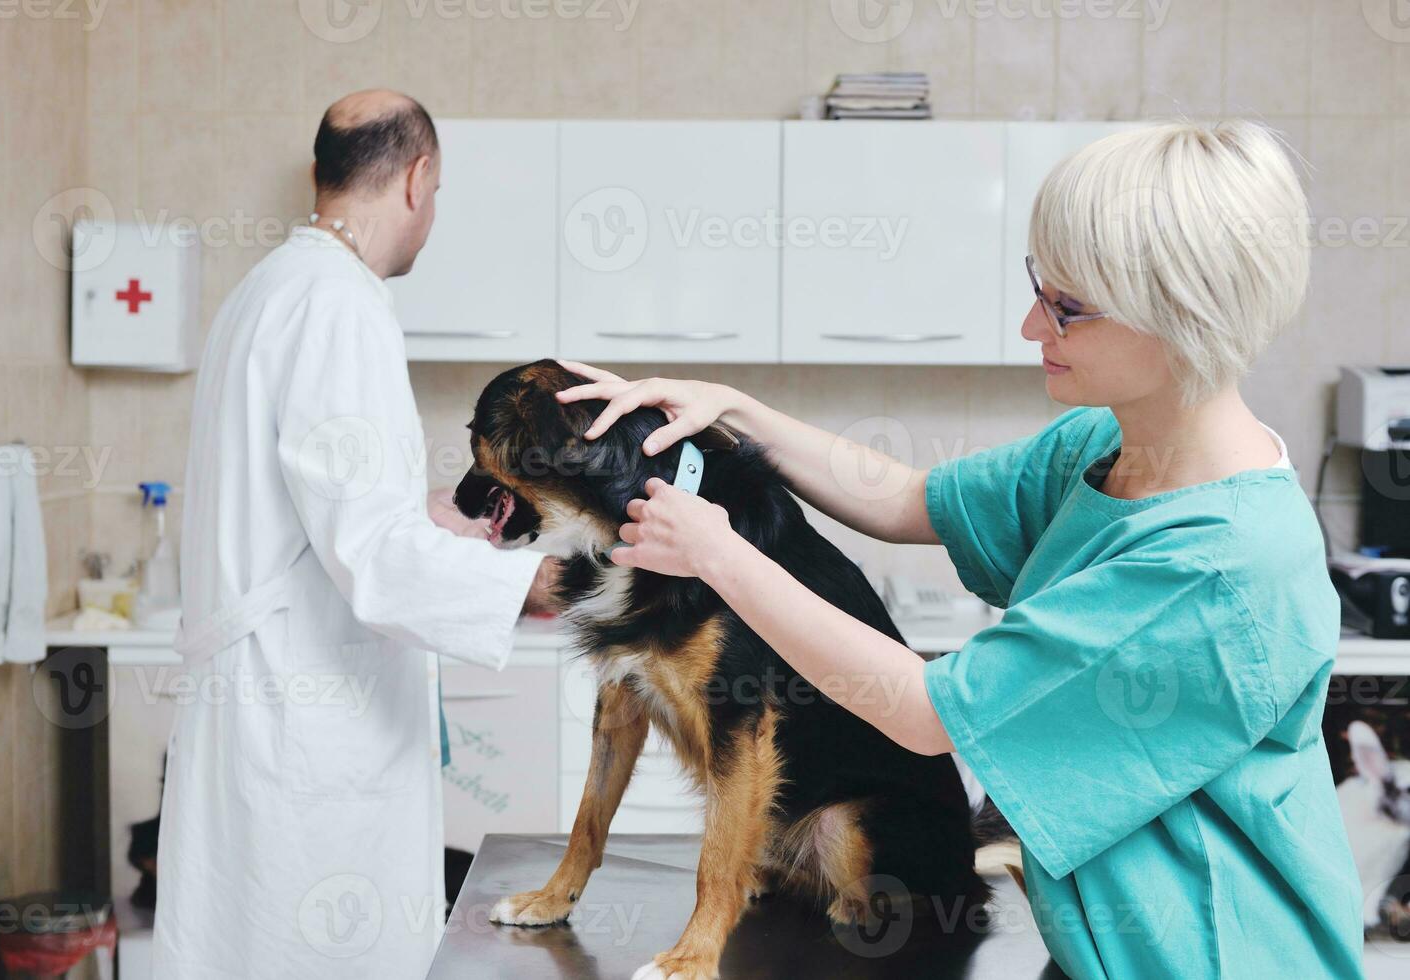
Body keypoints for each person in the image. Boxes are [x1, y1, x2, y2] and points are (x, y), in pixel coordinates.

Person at [558, 120, 1365, 978]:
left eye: (1068, 307)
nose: (1030, 324)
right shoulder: (1107, 447)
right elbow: (910, 499)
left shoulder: (1217, 567)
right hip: (1100, 946)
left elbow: (927, 713)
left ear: (1180, 317)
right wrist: (732, 409)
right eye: (1038, 287)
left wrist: (719, 554)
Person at [153, 90, 560, 978]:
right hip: (306, 722)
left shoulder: (271, 288)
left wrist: (432, 519)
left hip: (268, 705)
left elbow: (320, 513)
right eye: (440, 190)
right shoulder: (340, 305)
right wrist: (540, 587)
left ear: (318, 176)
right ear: (418, 180)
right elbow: (369, 556)